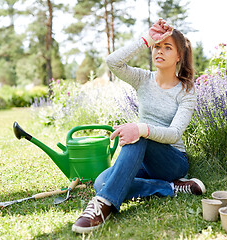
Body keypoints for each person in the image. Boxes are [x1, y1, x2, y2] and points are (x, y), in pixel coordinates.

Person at [72, 19, 206, 234]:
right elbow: (113, 62)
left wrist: (141, 129)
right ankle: (172, 188)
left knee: (138, 134)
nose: (159, 51)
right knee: (101, 182)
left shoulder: (186, 91)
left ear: (179, 56)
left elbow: (174, 134)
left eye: (167, 47)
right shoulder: (143, 79)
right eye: (157, 47)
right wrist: (146, 39)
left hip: (172, 162)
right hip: (143, 160)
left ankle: (103, 206)